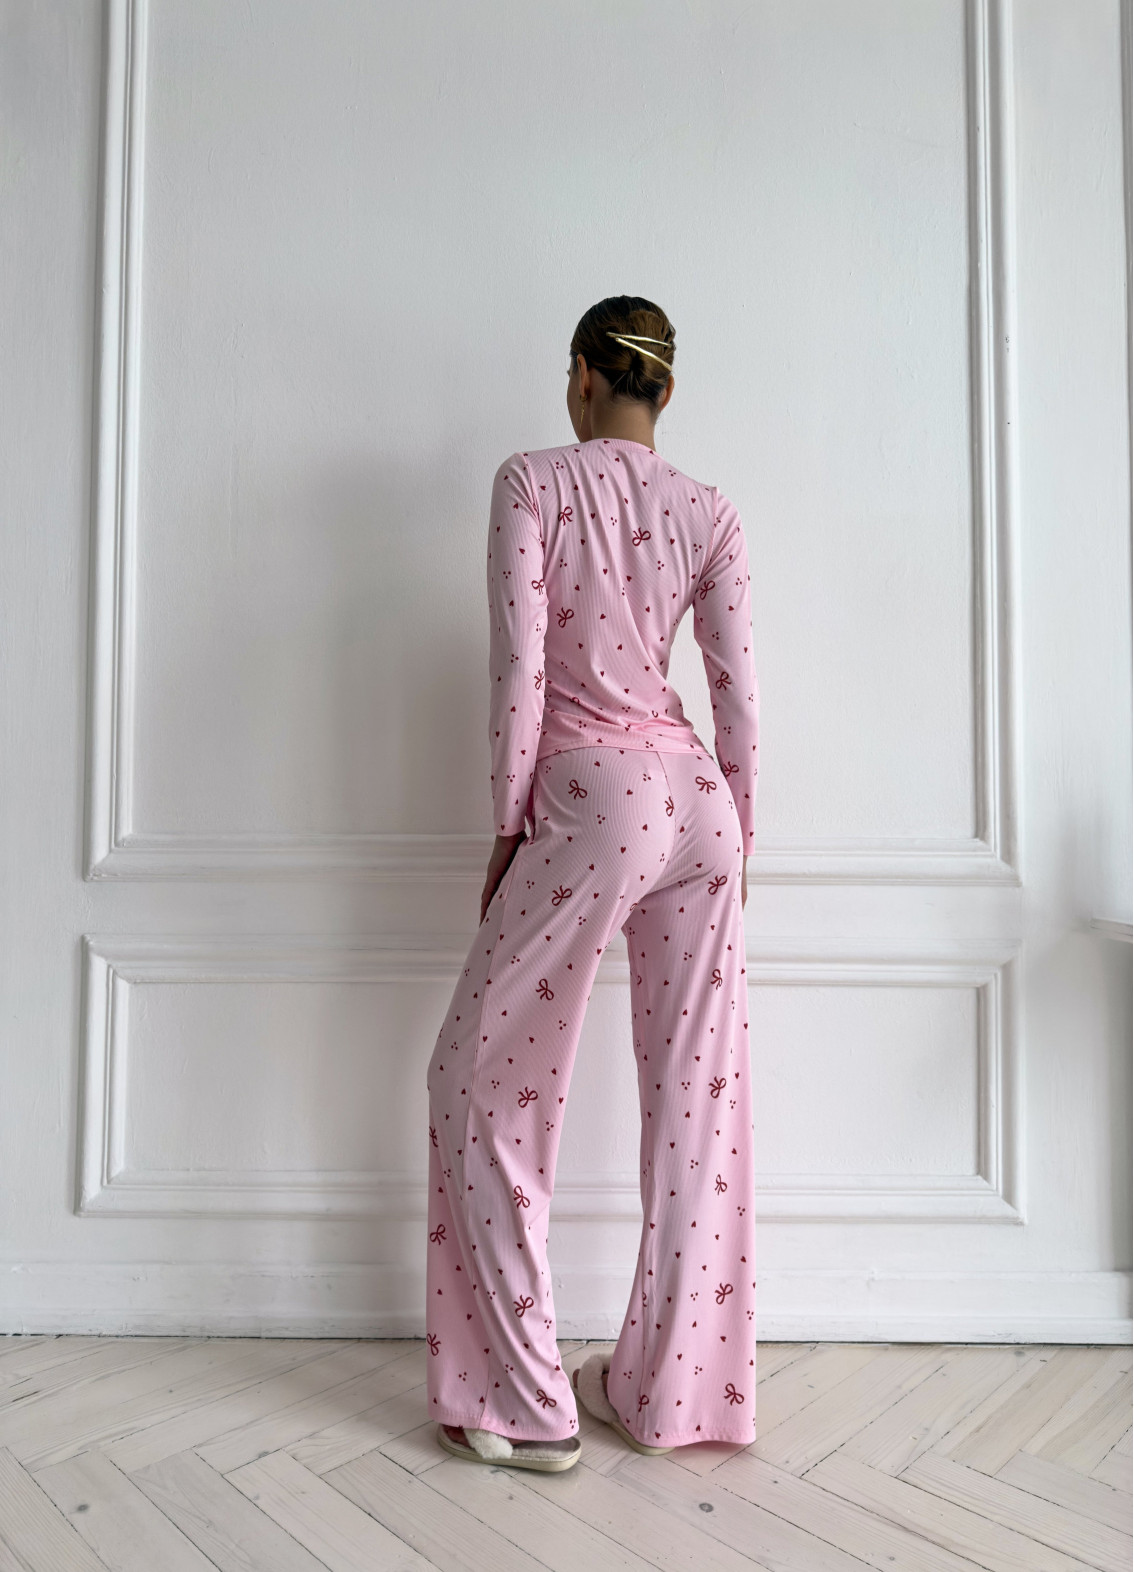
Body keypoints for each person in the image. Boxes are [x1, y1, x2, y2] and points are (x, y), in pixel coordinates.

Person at [425, 295, 760, 1472]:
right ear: (665, 390)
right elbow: (738, 696)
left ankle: (522, 1404)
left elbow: (522, 672)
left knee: (479, 1082)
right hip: (701, 807)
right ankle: (672, 1397)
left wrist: (508, 826)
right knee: (701, 1109)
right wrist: (744, 838)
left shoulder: (534, 482)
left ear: (581, 375)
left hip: (593, 795)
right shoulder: (710, 511)